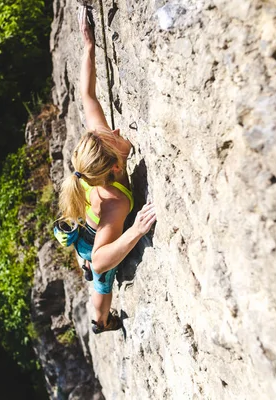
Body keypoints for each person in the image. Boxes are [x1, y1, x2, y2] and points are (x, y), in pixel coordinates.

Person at [57, 5, 157, 334]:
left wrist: (89, 47)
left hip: (85, 231)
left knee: (89, 256)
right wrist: (136, 231)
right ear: (116, 166)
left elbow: (87, 97)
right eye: (113, 138)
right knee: (101, 282)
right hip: (95, 242)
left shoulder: (99, 156)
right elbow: (103, 260)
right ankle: (102, 322)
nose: (115, 132)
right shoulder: (117, 203)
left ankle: (80, 260)